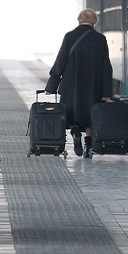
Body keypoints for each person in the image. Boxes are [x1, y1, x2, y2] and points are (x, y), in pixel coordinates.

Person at [45, 9, 113, 157]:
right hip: (93, 87)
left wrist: (51, 87)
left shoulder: (69, 36)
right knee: (90, 116)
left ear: (79, 21)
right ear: (95, 22)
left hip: (71, 86)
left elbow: (60, 62)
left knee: (72, 114)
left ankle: (76, 135)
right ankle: (88, 144)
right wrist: (106, 92)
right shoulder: (100, 39)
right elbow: (106, 67)